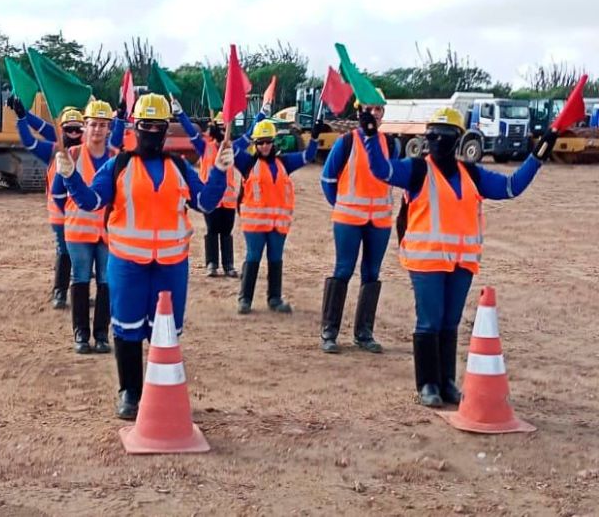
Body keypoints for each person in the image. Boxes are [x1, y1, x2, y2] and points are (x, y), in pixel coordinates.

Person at [56, 93, 233, 419]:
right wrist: (70, 177)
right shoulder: (118, 165)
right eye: (145, 125)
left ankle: (161, 394)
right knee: (126, 330)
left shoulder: (179, 166)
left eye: (158, 126)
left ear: (166, 130)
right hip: (126, 265)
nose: (151, 132)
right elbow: (92, 201)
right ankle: (130, 394)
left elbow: (206, 203)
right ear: (134, 127)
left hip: (171, 267)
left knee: (165, 333)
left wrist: (220, 172)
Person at [363, 107, 551, 406]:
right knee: (430, 321)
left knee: (450, 322)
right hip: (427, 261)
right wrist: (370, 135)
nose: (437, 140)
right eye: (432, 135)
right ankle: (427, 385)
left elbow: (510, 187)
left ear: (458, 139)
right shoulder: (416, 170)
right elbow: (381, 170)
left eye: (444, 135)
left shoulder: (471, 174)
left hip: (462, 262)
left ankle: (447, 382)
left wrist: (537, 157)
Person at [8, 96, 126, 309]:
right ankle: (60, 293)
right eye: (68, 129)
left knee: (84, 261)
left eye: (77, 129)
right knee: (65, 253)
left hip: (85, 217)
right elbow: (31, 139)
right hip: (61, 214)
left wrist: (121, 118)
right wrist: (22, 116)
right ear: (61, 130)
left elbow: (115, 140)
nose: (73, 133)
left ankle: (67, 294)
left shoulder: (89, 151)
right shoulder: (55, 150)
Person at [318, 91, 400, 354]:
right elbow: (327, 179)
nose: (374, 114)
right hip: (348, 219)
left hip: (380, 221)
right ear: (359, 112)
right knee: (343, 270)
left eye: (379, 110)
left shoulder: (393, 145)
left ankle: (364, 333)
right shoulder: (346, 142)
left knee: (371, 274)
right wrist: (341, 204)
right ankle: (329, 331)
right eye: (370, 109)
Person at [51, 100, 119, 354]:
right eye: (93, 125)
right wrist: (71, 214)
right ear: (85, 127)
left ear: (109, 129)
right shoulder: (73, 156)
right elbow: (57, 195)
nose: (98, 130)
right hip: (78, 232)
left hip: (107, 233)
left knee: (106, 281)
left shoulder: (115, 159)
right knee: (79, 279)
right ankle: (81, 333)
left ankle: (101, 334)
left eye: (103, 125)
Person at [236, 119, 320, 314]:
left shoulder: (284, 163)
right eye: (260, 142)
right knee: (253, 257)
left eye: (268, 141)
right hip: (255, 225)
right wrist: (247, 133)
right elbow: (230, 149)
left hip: (278, 226)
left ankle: (274, 299)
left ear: (274, 142)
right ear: (255, 144)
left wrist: (314, 137)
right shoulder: (247, 162)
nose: (265, 146)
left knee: (275, 259)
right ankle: (245, 299)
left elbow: (308, 155)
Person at [176, 107, 241, 278]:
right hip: (211, 199)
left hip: (228, 201)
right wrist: (180, 113)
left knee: (226, 232)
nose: (222, 131)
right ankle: (212, 264)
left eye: (225, 127)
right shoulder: (205, 147)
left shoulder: (233, 148)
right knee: (212, 230)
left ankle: (228, 265)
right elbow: (191, 132)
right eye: (220, 127)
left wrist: (262, 112)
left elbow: (250, 135)